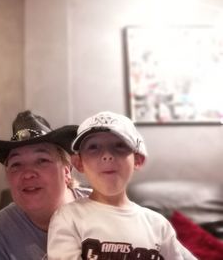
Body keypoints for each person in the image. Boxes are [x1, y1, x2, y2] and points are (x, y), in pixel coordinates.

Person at [47, 111, 197, 260]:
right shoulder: (68, 217)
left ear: (138, 159)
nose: (107, 155)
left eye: (119, 145)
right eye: (93, 147)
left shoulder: (158, 225)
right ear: (79, 163)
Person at [0, 111, 89, 260]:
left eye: (42, 160)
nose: (28, 173)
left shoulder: (104, 209)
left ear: (67, 171)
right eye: (16, 164)